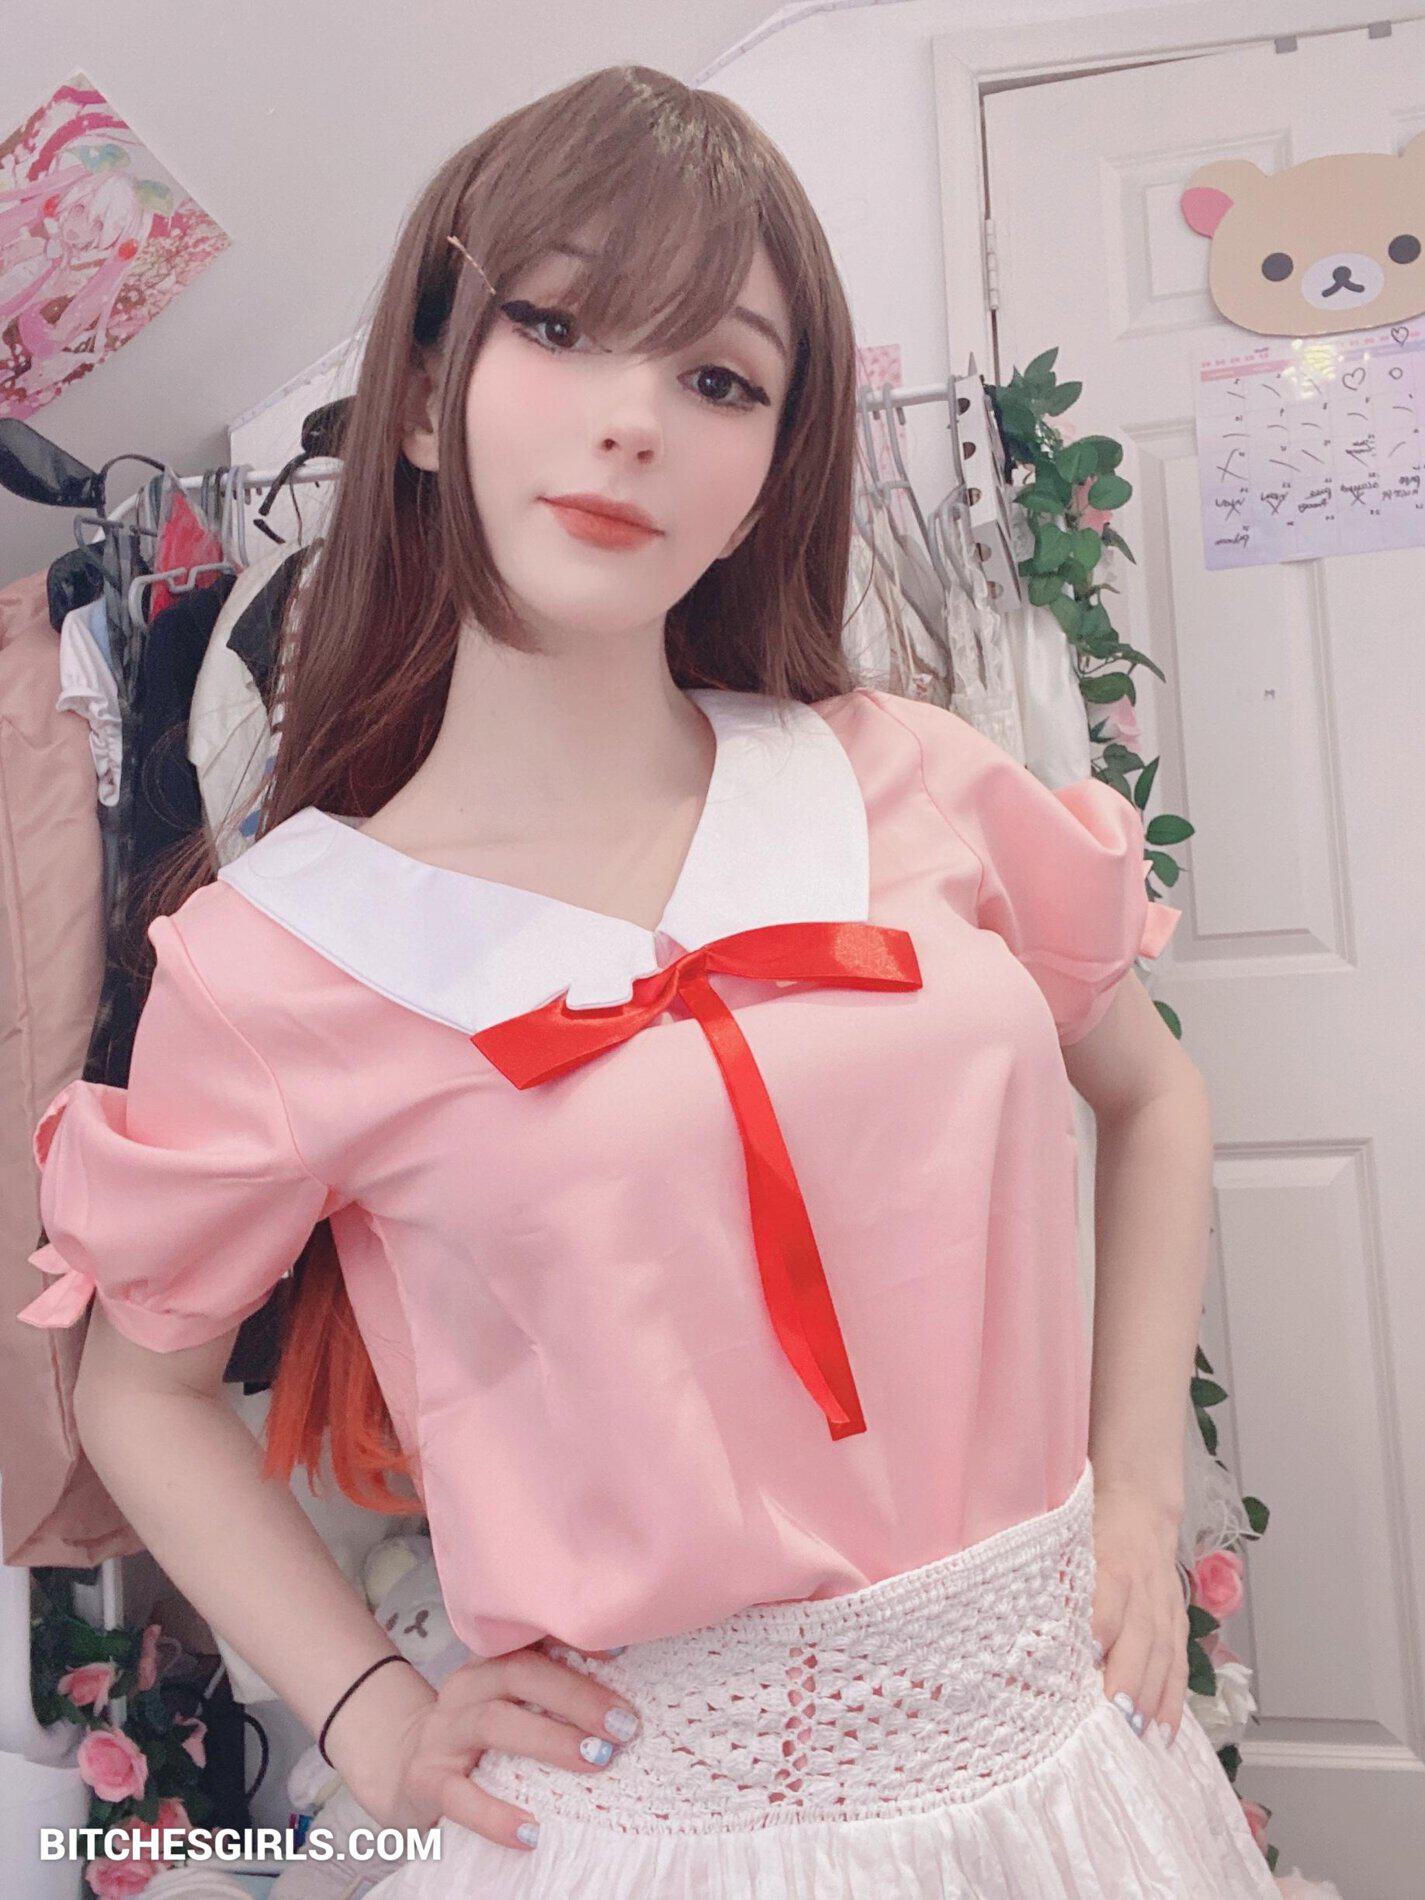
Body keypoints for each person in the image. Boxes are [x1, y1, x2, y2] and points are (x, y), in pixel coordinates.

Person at [19, 63, 1279, 1898]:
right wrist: (371, 1714)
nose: (630, 424)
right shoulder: (289, 955)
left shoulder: (915, 781)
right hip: (648, 1829)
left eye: (718, 379)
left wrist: (1139, 1498)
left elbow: (1150, 1094)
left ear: (768, 469)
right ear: (428, 397)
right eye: (556, 327)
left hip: (1063, 1769)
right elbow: (140, 1392)